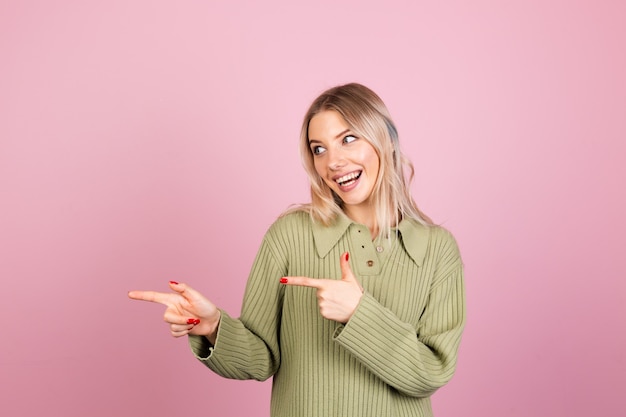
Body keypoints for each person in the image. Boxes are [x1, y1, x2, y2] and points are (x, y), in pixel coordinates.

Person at [128, 83, 466, 417]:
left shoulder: (437, 249)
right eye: (319, 149)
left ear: (384, 139)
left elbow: (432, 372)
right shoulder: (290, 234)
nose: (333, 162)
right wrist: (215, 326)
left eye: (348, 139)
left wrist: (359, 314)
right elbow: (261, 357)